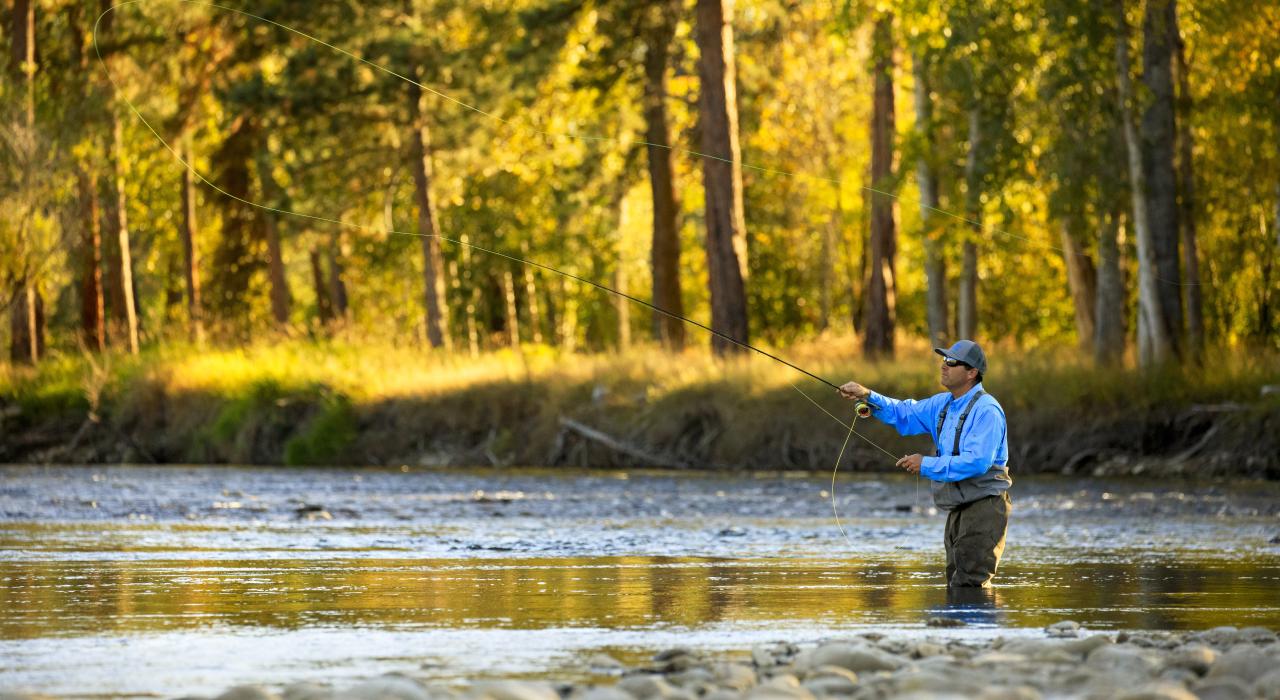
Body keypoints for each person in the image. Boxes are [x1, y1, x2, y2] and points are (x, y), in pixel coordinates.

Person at [838, 340, 1011, 588]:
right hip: (958, 508)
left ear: (971, 372)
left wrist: (926, 464)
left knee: (970, 584)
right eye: (944, 360)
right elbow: (904, 413)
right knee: (956, 582)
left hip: (985, 507)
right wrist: (867, 395)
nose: (944, 365)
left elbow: (977, 462)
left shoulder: (987, 411)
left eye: (952, 362)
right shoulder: (943, 404)